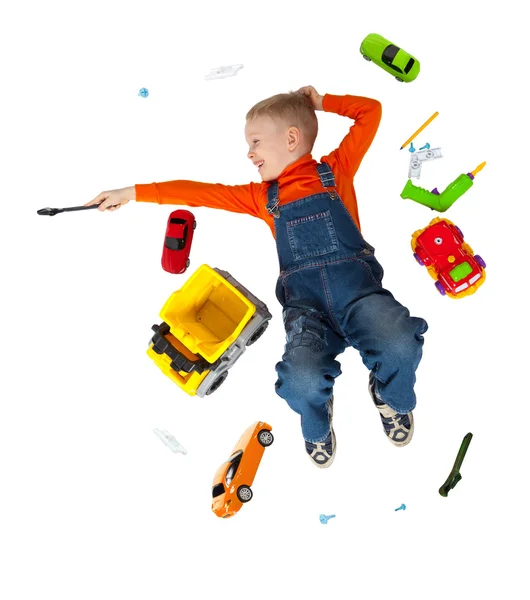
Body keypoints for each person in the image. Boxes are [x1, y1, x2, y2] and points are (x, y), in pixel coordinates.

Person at [86, 85, 428, 468]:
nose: (249, 153)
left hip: (361, 298)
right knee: (300, 383)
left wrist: (318, 102)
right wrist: (132, 192)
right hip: (308, 314)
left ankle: (390, 397)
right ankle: (316, 418)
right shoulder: (262, 197)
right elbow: (200, 193)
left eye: (255, 142)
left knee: (400, 344)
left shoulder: (336, 170)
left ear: (291, 138)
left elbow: (371, 111)